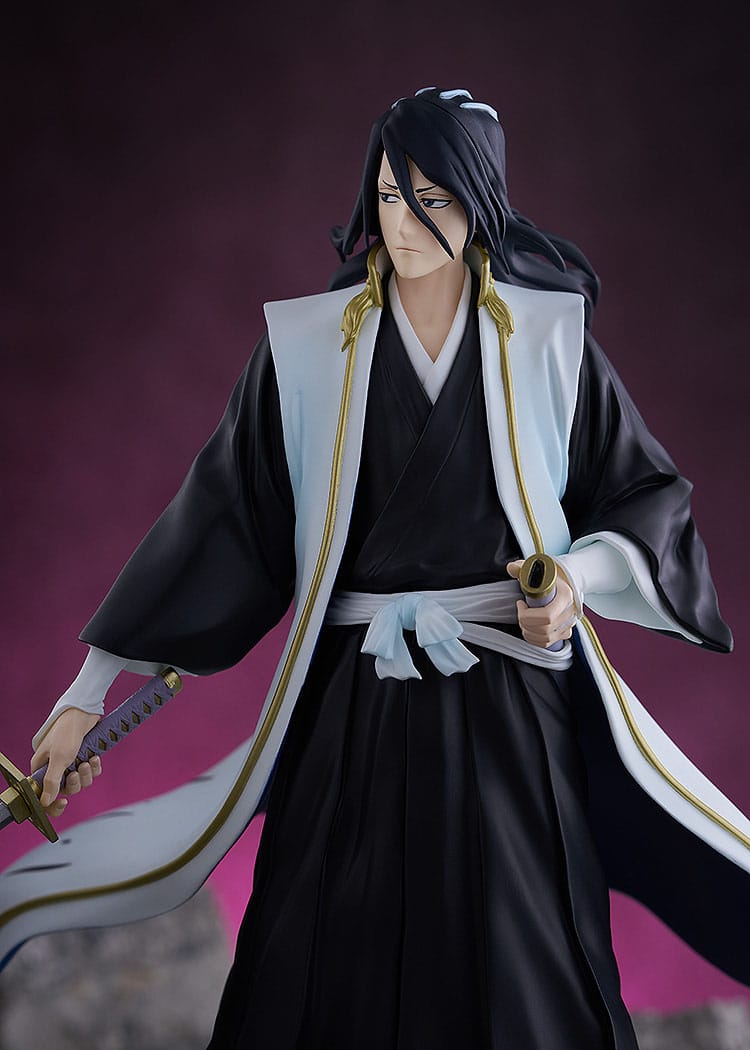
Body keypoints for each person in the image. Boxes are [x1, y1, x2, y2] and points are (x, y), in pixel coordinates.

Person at [3, 87, 749, 1049]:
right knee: (320, 959)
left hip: (510, 708)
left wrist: (574, 579)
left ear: (480, 204)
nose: (405, 223)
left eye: (434, 200)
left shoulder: (548, 343)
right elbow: (219, 523)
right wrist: (86, 693)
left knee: (527, 959)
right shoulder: (311, 352)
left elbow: (647, 497)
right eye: (392, 195)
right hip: (353, 708)